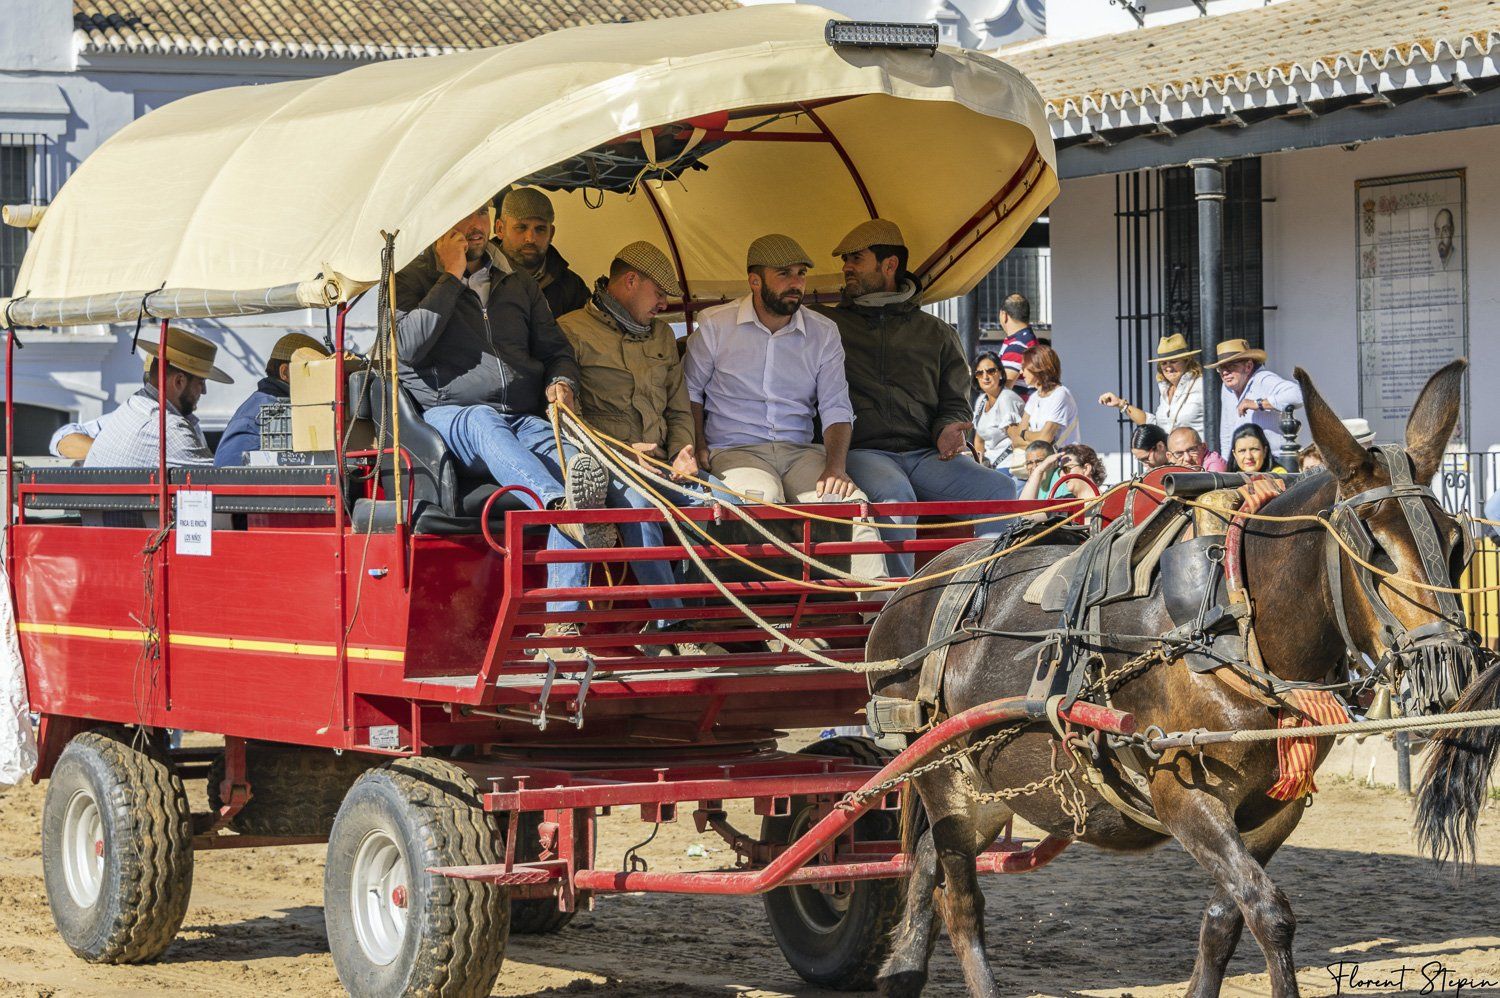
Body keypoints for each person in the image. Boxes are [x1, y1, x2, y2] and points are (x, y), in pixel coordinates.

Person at [394, 204, 608, 650]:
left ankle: (562, 627)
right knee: (484, 421)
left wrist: (562, 382)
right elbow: (405, 347)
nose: (472, 227)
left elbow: (556, 350)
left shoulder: (518, 283)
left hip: (523, 417)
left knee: (579, 467)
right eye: (458, 215)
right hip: (446, 418)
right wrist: (449, 277)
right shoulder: (409, 279)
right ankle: (555, 508)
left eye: (478, 215)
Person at [812, 218, 1015, 578]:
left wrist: (950, 427)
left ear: (889, 265)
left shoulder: (937, 332)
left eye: (856, 259)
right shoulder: (827, 327)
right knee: (896, 497)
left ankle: (983, 590)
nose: (846, 267)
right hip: (862, 452)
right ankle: (894, 609)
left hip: (925, 455)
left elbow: (955, 400)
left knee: (998, 487)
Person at [685, 233, 883, 581]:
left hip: (800, 451)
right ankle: (771, 615)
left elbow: (837, 406)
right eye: (784, 274)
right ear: (754, 281)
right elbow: (690, 393)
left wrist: (835, 469)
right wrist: (698, 444)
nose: (796, 284)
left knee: (852, 507)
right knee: (764, 500)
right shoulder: (715, 324)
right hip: (736, 449)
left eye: (801, 274)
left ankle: (878, 616)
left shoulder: (824, 332)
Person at [555, 241, 717, 655]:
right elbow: (564, 419)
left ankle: (713, 621)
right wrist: (623, 454)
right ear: (630, 281)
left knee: (713, 504)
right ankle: (671, 628)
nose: (664, 303)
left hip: (662, 464)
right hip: (604, 464)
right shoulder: (570, 330)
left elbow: (678, 406)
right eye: (659, 292)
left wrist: (684, 452)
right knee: (644, 505)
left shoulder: (662, 335)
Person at [84, 325, 228, 468]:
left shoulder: (134, 403)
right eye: (201, 382)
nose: (204, 391)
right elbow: (221, 481)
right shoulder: (170, 430)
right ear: (179, 381)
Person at [214, 333, 327, 467]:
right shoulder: (268, 411)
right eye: (314, 373)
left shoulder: (273, 404)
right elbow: (230, 473)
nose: (322, 382)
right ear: (285, 373)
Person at [493, 187, 590, 320]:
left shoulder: (572, 287)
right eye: (521, 227)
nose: (530, 238)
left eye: (540, 229)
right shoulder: (476, 276)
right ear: (500, 229)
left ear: (552, 233)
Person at [1206, 338, 1303, 456]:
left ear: (1248, 366)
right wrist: (1227, 465)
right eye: (1221, 368)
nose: (1225, 372)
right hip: (1242, 464)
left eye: (1231, 366)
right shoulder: (1226, 387)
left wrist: (1258, 404)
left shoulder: (1263, 379)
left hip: (1273, 463)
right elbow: (1227, 430)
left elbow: (1299, 394)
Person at [1097, 332, 1205, 438]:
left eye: (1173, 361)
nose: (1168, 367)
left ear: (1186, 361)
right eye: (1164, 363)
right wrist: (1120, 404)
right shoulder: (1165, 389)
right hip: (1172, 454)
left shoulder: (1201, 385)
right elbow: (1154, 425)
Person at [1005, 344, 1078, 450]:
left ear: (1037, 367)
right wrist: (1030, 436)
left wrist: (1025, 434)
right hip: (1040, 461)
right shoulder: (1034, 397)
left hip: (1063, 462)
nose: (1021, 372)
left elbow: (1045, 438)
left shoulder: (1060, 395)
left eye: (1024, 367)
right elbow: (1017, 440)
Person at [970, 350, 1024, 472]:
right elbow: (979, 439)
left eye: (990, 371)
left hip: (1009, 466)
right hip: (990, 466)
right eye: (979, 373)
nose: (985, 377)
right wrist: (979, 465)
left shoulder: (1006, 399)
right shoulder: (981, 401)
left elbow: (1017, 440)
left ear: (1000, 373)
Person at [1020, 443, 1106, 501]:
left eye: (1066, 469)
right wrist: (1039, 470)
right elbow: (1027, 514)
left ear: (1086, 469)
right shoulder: (1064, 504)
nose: (1061, 475)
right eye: (1059, 471)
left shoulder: (1108, 502)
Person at [996, 292, 1038, 399]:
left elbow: (1002, 388)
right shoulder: (1026, 339)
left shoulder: (1017, 345)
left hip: (1017, 412)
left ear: (1004, 315)